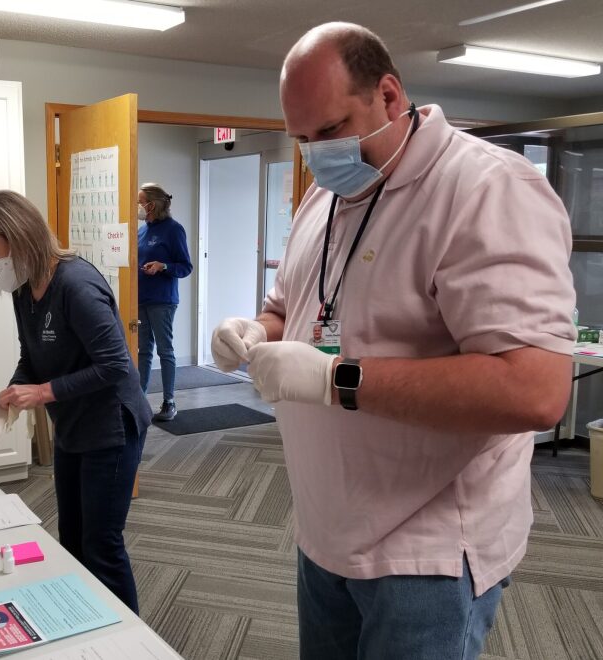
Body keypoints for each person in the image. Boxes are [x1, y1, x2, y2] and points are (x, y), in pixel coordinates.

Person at [211, 22, 575, 660]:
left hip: (425, 551)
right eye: (301, 139)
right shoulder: (326, 197)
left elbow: (534, 388)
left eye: (330, 130)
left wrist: (336, 379)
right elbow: (292, 307)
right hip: (325, 528)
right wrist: (255, 331)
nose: (317, 153)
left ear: (388, 94)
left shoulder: (484, 187)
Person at [0, 190, 151, 614]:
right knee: (72, 537)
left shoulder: (76, 286)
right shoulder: (24, 289)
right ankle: (85, 620)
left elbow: (117, 365)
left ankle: (130, 639)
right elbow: (33, 357)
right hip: (73, 425)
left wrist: (43, 393)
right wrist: (9, 398)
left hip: (111, 427)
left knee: (101, 543)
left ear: (19, 235)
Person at [137, 183, 193, 421]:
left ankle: (169, 402)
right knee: (143, 352)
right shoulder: (141, 230)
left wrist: (163, 266)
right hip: (140, 299)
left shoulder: (174, 230)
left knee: (165, 350)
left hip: (162, 301)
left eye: (140, 202)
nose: (138, 207)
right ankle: (139, 401)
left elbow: (186, 267)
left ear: (152, 204)